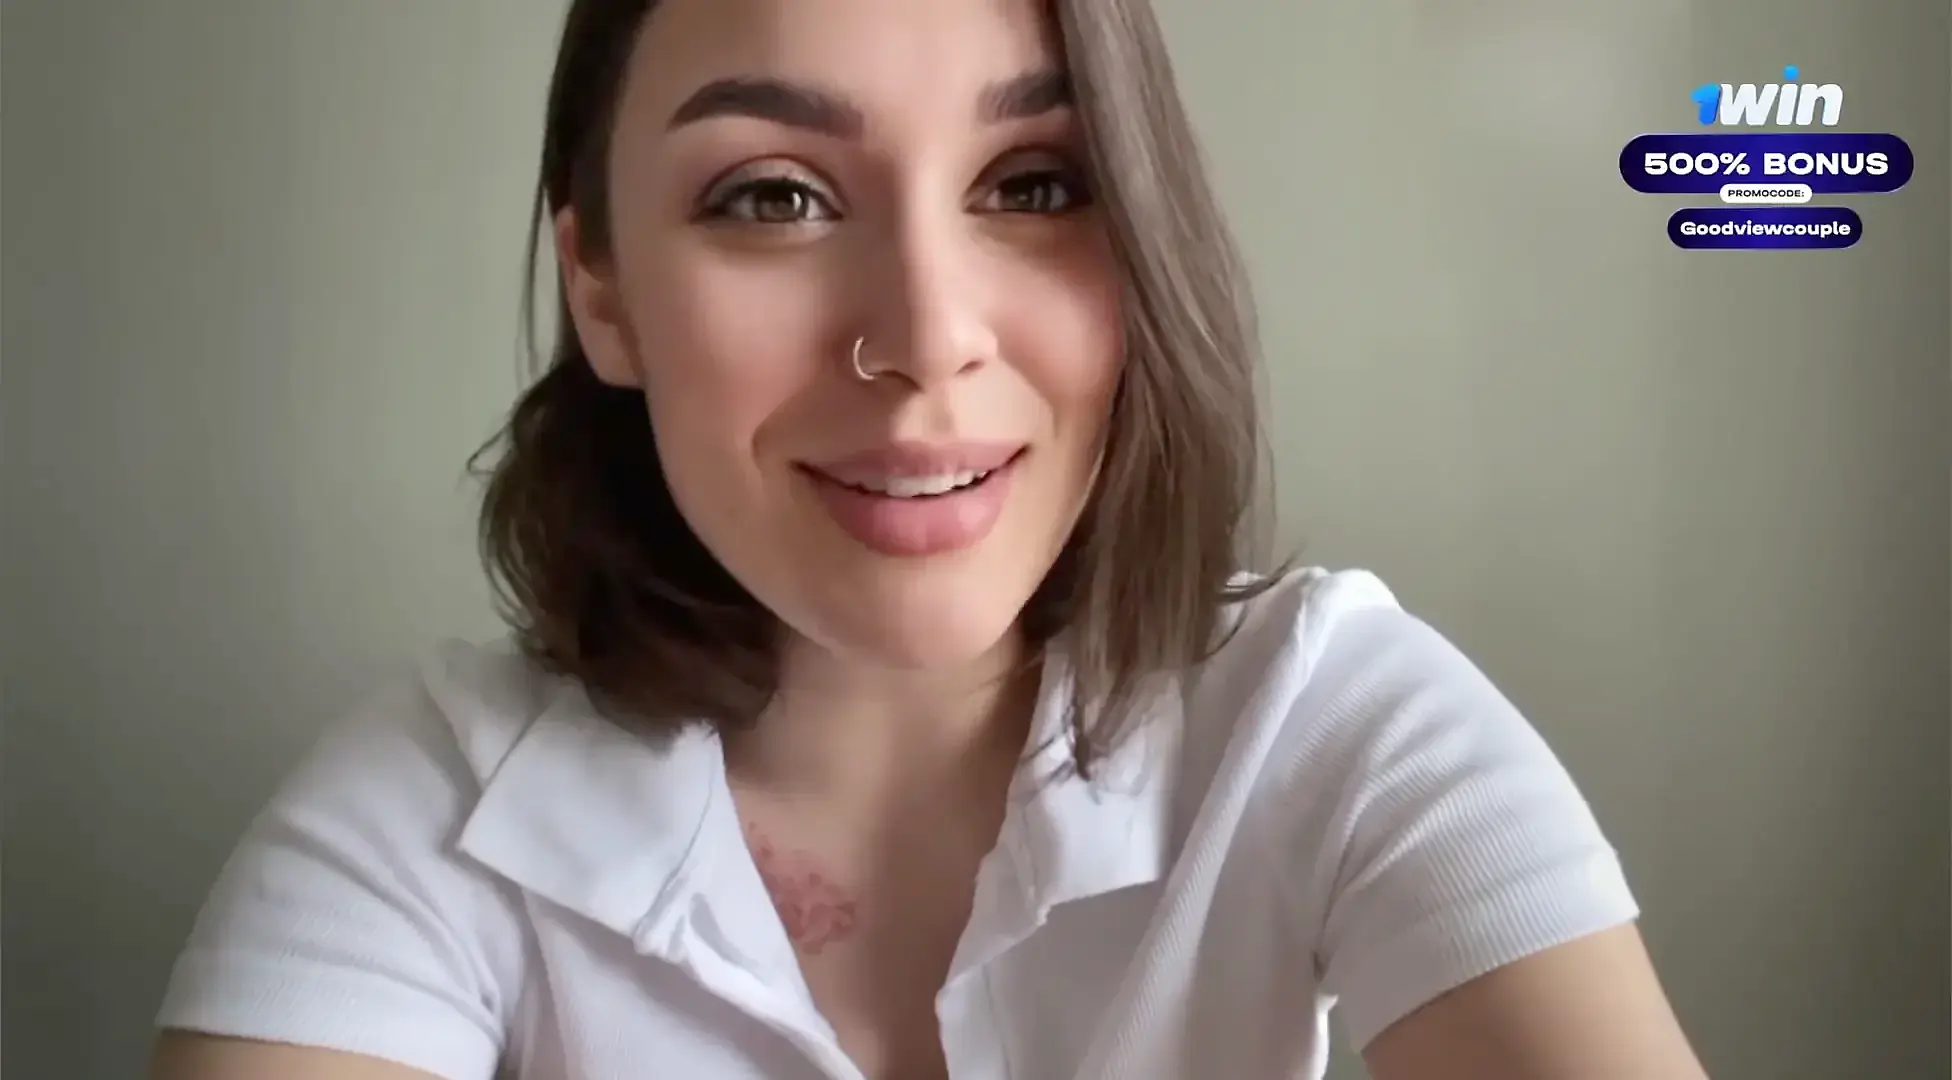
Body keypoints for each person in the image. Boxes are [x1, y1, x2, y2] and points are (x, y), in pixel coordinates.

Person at [148, 0, 1711, 1077]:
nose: (926, 337)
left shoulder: (1334, 720)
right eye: (773, 198)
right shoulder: (424, 818)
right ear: (602, 288)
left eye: (1033, 183)